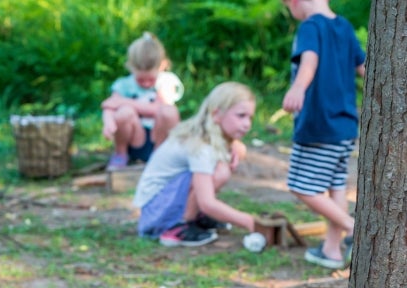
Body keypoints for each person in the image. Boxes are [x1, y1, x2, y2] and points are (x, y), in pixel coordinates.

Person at [281, 0, 365, 269]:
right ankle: (331, 249)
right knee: (335, 185)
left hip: (319, 125)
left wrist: (297, 88)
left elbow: (309, 60)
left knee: (300, 185)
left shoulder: (310, 27)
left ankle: (353, 229)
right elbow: (364, 67)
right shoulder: (344, 26)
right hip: (345, 127)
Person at [133, 82, 259, 247]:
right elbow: (208, 203)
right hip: (154, 215)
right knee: (218, 172)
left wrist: (236, 146)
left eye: (250, 117)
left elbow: (236, 149)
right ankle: (177, 227)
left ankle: (191, 217)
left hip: (159, 206)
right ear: (216, 114)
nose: (247, 124)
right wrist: (249, 222)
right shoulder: (200, 147)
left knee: (220, 169)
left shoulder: (206, 135)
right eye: (241, 116)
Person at [102, 32, 183, 170]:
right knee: (124, 112)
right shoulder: (123, 85)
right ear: (130, 67)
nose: (146, 84)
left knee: (169, 112)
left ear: (162, 66)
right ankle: (121, 153)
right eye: (141, 80)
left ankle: (160, 157)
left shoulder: (166, 81)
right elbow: (109, 106)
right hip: (135, 138)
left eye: (150, 80)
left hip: (158, 137)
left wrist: (124, 102)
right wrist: (108, 122)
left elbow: (158, 108)